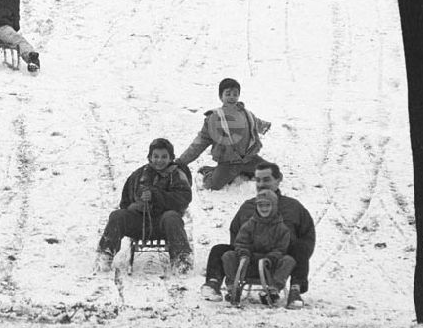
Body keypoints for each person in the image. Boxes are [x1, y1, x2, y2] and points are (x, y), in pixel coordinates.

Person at [201, 162, 315, 309]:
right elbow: (235, 235)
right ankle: (213, 283)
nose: (261, 184)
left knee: (300, 248)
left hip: (279, 262)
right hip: (248, 259)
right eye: (258, 180)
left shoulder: (293, 208)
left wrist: (290, 257)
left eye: (266, 179)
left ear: (279, 179)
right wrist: (242, 256)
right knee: (219, 250)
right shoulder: (248, 206)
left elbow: (307, 237)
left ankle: (295, 290)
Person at [95, 138, 192, 273]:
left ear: (171, 157)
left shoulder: (177, 175)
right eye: (156, 156)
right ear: (150, 157)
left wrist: (156, 196)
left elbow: (183, 199)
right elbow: (125, 201)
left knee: (172, 217)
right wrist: (135, 207)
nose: (159, 160)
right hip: (140, 223)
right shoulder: (139, 175)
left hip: (163, 224)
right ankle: (105, 254)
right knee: (117, 216)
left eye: (164, 157)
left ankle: (182, 259)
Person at [174, 78, 272, 190]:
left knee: (273, 174)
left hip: (248, 159)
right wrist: (182, 161)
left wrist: (265, 126)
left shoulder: (246, 114)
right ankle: (209, 171)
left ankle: (243, 171)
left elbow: (255, 122)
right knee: (213, 185)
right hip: (228, 163)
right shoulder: (213, 119)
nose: (232, 97)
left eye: (235, 94)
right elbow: (200, 142)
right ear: (221, 97)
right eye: (228, 94)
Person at [222, 189, 295, 306]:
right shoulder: (249, 225)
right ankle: (233, 288)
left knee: (288, 260)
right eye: (261, 205)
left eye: (267, 205)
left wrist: (270, 258)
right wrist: (244, 255)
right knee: (228, 256)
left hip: (270, 267)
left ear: (274, 206)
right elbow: (241, 242)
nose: (264, 208)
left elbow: (281, 249)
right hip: (249, 264)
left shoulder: (282, 229)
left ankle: (273, 290)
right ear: (256, 207)